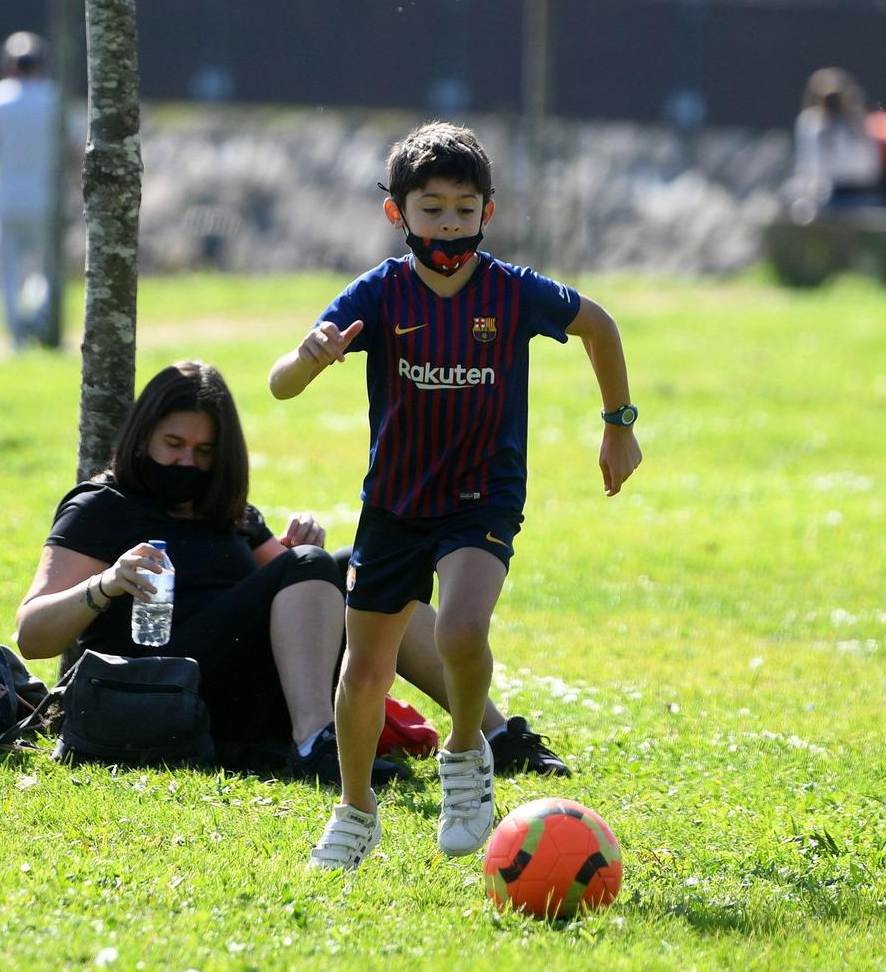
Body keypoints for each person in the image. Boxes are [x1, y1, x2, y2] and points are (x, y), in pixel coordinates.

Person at [269, 120, 642, 871]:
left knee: (462, 630)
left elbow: (599, 326)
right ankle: (355, 813)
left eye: (463, 209)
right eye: (431, 207)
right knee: (364, 671)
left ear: (488, 214)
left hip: (483, 497)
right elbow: (280, 383)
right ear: (397, 213)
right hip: (396, 502)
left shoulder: (513, 292)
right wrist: (307, 360)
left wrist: (618, 425)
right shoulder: (379, 293)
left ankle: (467, 754)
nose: (448, 224)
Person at [16, 359, 554, 785]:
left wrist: (301, 552)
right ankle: (315, 741)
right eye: (173, 446)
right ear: (141, 439)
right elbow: (31, 634)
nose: (187, 464)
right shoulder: (102, 506)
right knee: (320, 568)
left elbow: (299, 585)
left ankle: (496, 735)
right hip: (158, 686)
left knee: (359, 575)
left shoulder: (228, 510)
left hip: (246, 688)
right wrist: (106, 583)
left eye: (204, 452)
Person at [0, 32, 60, 347]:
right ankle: (40, 319)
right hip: (47, 200)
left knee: (7, 273)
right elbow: (75, 151)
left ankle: (16, 336)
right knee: (47, 269)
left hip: (3, 199)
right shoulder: (55, 98)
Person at [793, 67, 883, 210]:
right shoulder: (860, 121)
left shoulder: (812, 122)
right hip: (870, 197)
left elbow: (809, 168)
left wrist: (804, 199)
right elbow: (873, 167)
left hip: (836, 199)